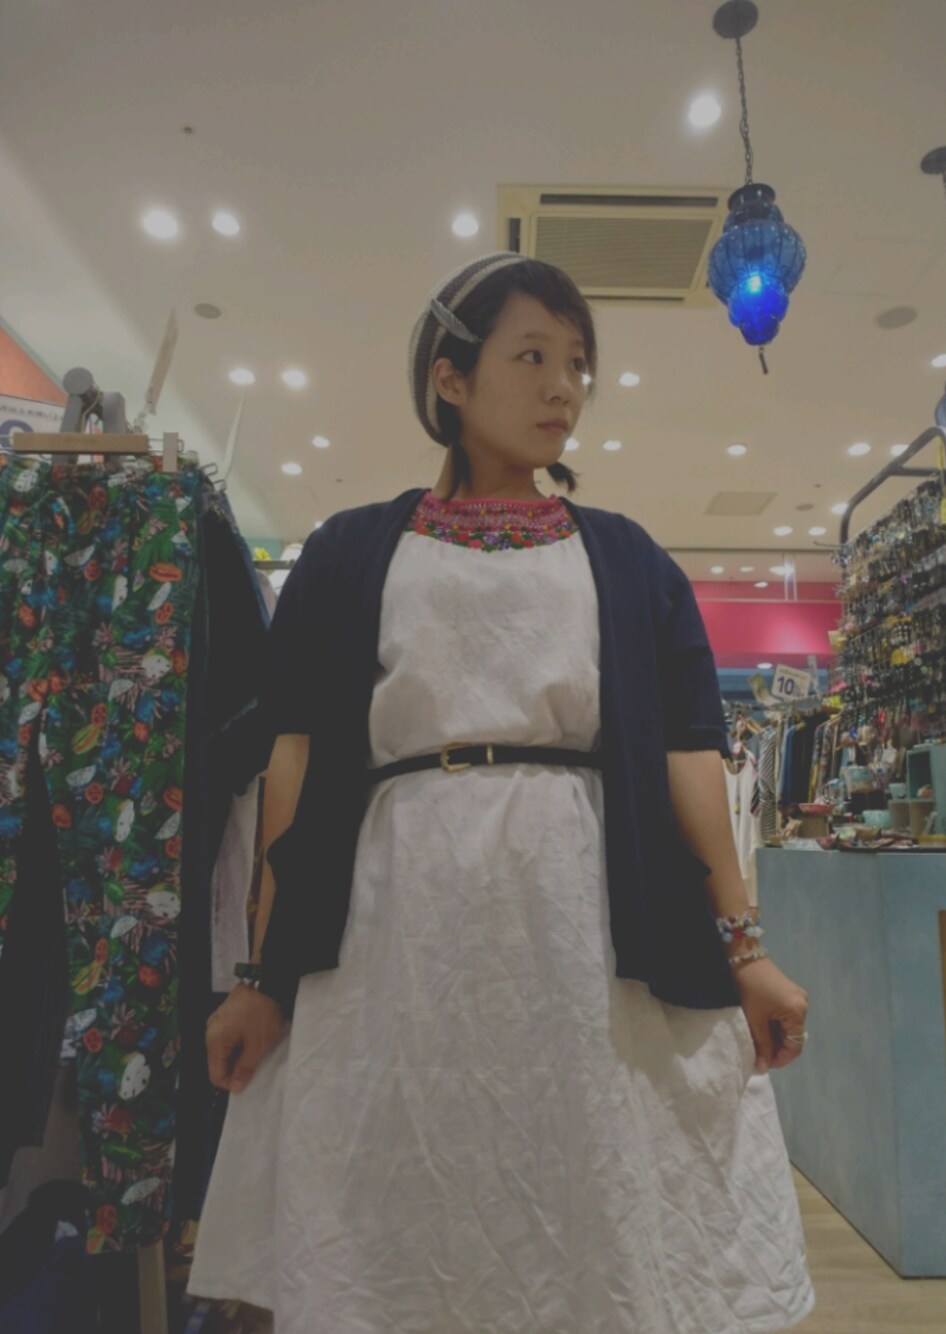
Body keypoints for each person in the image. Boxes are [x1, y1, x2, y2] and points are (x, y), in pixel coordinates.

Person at [187, 253, 815, 1332]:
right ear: (450, 378)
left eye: (577, 364)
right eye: (531, 357)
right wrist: (259, 971)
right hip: (392, 922)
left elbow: (687, 758)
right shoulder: (348, 552)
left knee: (583, 1179)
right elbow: (296, 763)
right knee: (399, 1184)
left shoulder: (631, 560)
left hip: (583, 920)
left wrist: (745, 949)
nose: (563, 387)